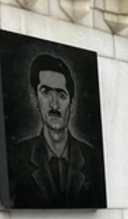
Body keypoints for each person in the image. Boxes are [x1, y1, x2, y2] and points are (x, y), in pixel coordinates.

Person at [9, 54, 103, 209]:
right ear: (35, 99)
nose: (54, 104)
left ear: (71, 106)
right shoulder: (17, 159)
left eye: (61, 95)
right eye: (46, 92)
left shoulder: (92, 159)